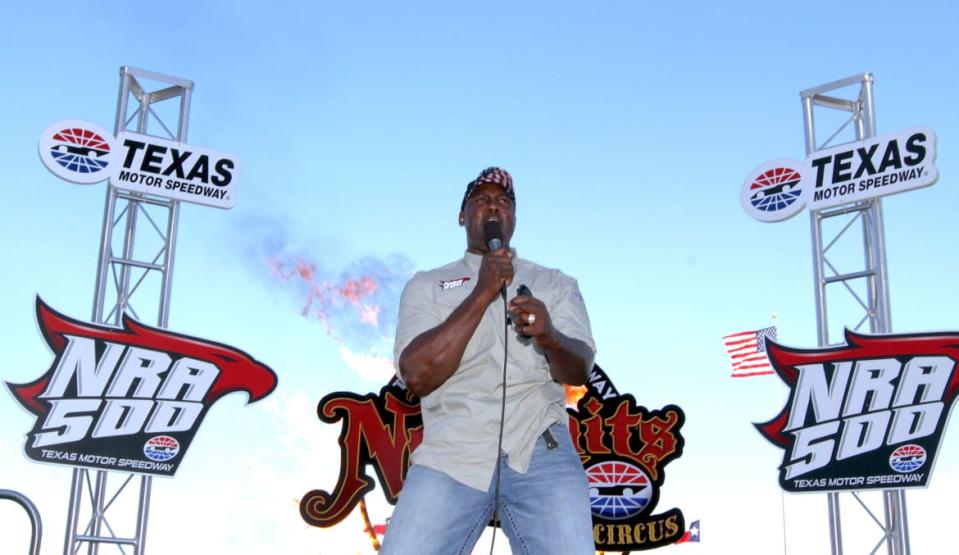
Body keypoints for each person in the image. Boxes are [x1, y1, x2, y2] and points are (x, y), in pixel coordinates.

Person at [381, 167, 596, 554]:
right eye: (481, 200)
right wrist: (483, 290)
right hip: (451, 451)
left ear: (513, 218)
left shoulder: (557, 283)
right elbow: (416, 375)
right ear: (463, 216)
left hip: (540, 449)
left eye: (503, 201)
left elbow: (580, 368)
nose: (493, 206)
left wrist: (550, 337)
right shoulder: (426, 285)